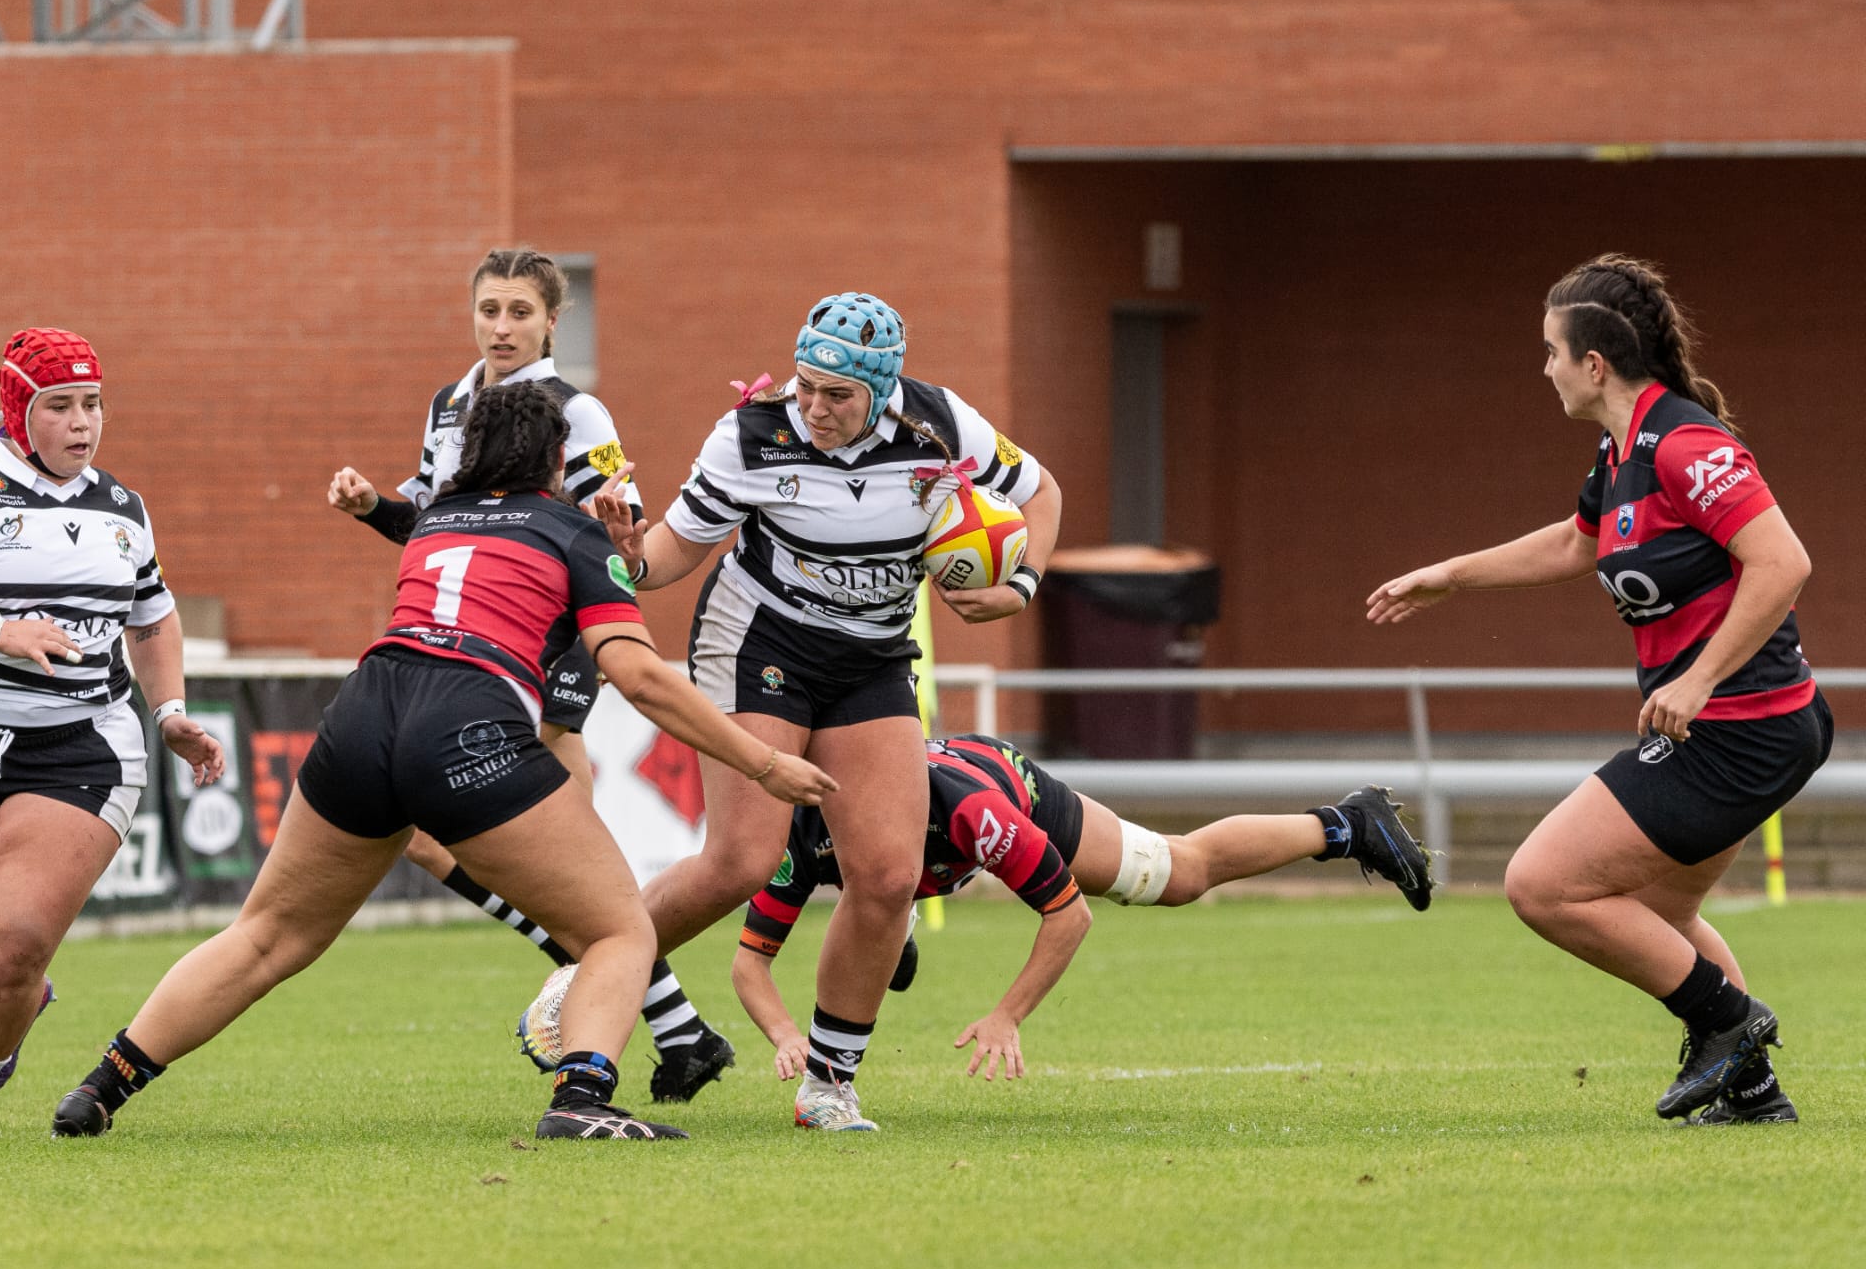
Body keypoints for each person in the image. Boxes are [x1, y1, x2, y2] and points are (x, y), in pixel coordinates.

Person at [53, 382, 835, 1143]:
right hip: (468, 724)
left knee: (266, 933)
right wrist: (762, 762)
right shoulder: (571, 531)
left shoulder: (434, 521)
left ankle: (102, 1084)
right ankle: (583, 1097)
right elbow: (637, 675)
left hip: (362, 711)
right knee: (620, 929)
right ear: (557, 459)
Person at [1368, 255, 1830, 1125]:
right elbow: (1578, 545)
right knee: (1657, 911)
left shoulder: (1686, 446)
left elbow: (1785, 562)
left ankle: (1730, 1026)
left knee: (1539, 883)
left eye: (1550, 350)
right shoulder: (1623, 449)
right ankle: (1754, 1091)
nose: (1542, 367)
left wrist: (1696, 680)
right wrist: (1450, 575)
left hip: (1745, 728)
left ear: (1594, 363)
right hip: (1734, 729)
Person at [596, 292, 1062, 1130]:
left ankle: (829, 1084)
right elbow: (673, 553)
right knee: (744, 859)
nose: (813, 407)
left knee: (887, 875)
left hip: (872, 656)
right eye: (805, 386)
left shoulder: (941, 424)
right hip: (757, 640)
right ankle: (585, 974)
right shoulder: (750, 434)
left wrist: (1023, 585)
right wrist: (631, 557)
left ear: (883, 392)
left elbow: (1043, 491)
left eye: (837, 396)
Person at [326, 247, 731, 1101]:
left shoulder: (577, 412)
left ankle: (638, 1007)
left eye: (518, 311)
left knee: (523, 847)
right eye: (488, 310)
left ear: (553, 320)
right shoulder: (448, 404)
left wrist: (608, 581)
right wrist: (374, 508)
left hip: (541, 646)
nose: (501, 326)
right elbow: (438, 527)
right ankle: (679, 1028)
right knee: (469, 844)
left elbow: (622, 530)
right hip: (468, 646)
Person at [0, 328, 226, 1134]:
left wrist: (170, 714)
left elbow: (155, 618)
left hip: (82, 746)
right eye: (58, 405)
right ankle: (22, 994)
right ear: (16, 410)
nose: (81, 423)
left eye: (92, 404)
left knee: (14, 938)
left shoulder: (125, 510)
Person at [732, 734, 1429, 1091]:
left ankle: (1345, 824)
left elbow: (1068, 915)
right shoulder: (802, 830)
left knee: (1174, 872)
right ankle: (896, 921)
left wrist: (1007, 1013)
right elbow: (749, 962)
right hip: (909, 866)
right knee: (876, 894)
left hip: (1005, 781)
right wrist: (786, 1032)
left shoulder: (975, 814)